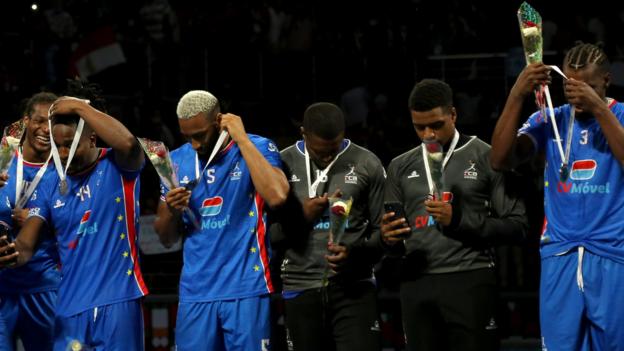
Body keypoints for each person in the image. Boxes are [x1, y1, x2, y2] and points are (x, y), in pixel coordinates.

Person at [490, 42, 624, 350]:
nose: (578, 95)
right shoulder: (549, 120)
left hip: (613, 253)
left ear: (606, 80)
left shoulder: (621, 115)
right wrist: (517, 94)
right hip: (559, 254)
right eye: (571, 87)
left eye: (588, 87)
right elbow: (499, 159)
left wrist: (599, 107)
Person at [381, 79, 528, 351]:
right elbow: (393, 240)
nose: (428, 135)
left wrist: (458, 220)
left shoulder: (486, 155)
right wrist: (387, 239)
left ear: (453, 114)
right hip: (417, 283)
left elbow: (517, 226)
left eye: (436, 125)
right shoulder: (399, 166)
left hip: (470, 278)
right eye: (419, 127)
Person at [0, 81, 148, 350]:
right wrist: (10, 253)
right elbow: (25, 244)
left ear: (92, 138)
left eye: (70, 145)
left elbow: (128, 142)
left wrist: (80, 106)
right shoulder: (50, 183)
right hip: (67, 308)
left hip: (118, 300)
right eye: (58, 146)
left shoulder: (119, 166)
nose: (63, 153)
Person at [154, 90, 288, 351]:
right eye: (187, 136)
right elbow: (166, 238)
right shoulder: (175, 161)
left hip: (246, 288)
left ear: (219, 122)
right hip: (195, 293)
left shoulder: (257, 146)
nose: (194, 144)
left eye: (200, 135)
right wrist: (171, 210)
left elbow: (278, 196)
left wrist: (241, 138)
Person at [274, 102, 385, 351]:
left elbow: (383, 234)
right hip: (300, 285)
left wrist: (355, 256)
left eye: (333, 150)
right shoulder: (281, 163)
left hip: (354, 287)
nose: (326, 157)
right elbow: (267, 235)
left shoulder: (368, 163)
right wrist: (301, 216)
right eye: (319, 151)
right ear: (303, 133)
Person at [0, 92, 59, 351]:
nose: (45, 129)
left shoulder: (63, 171)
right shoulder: (2, 161)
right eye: (39, 121)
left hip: (44, 286)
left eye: (53, 123)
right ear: (26, 122)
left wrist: (44, 220)